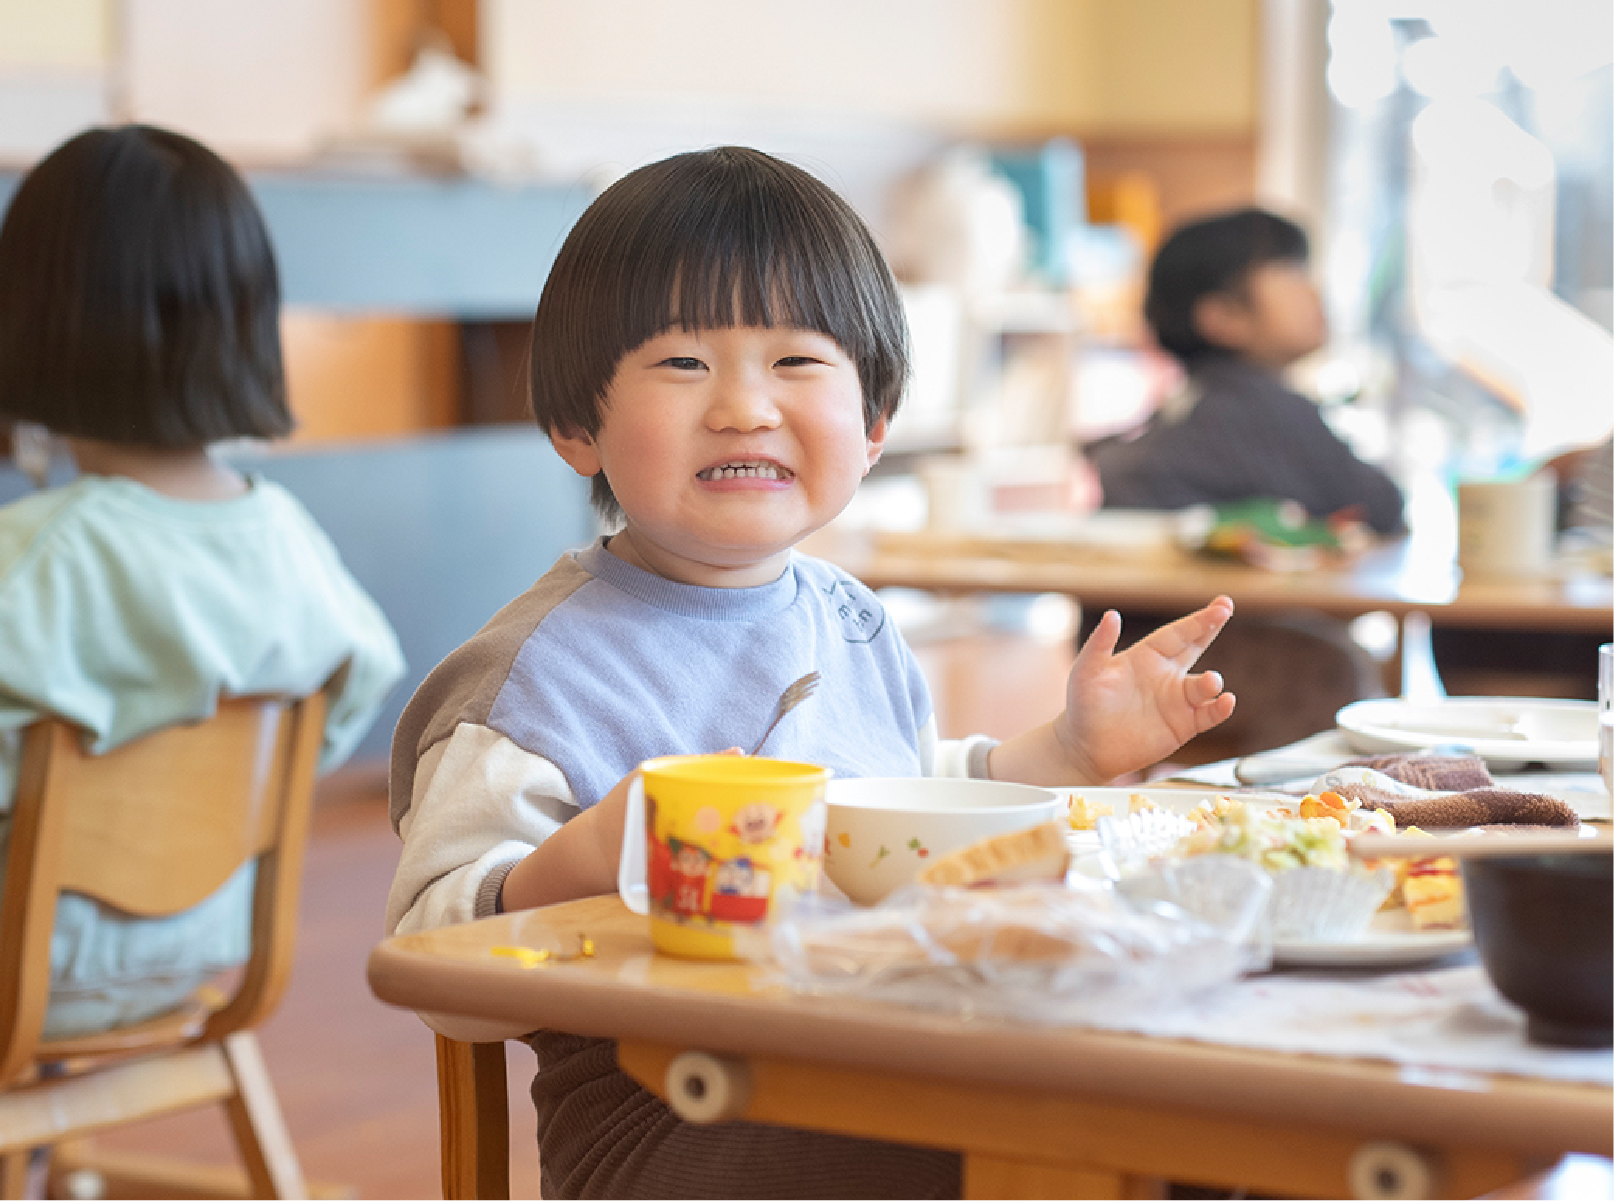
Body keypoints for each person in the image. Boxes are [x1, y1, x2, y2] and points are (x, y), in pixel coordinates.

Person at [386, 146, 1236, 1199]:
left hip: (878, 1055)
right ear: (577, 426)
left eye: (796, 362)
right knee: (1069, 1146)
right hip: (673, 1122)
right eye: (683, 364)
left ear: (875, 426)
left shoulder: (851, 620)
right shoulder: (538, 676)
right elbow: (430, 967)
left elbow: (895, 806)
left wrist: (1065, 751)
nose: (745, 406)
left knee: (1205, 1114)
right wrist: (581, 860)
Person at [0, 125, 406, 1040]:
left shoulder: (29, 563)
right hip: (191, 957)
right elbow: (354, 693)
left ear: (33, 319)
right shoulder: (291, 543)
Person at [1086, 206, 1406, 535]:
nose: (1314, 292)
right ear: (1223, 317)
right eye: (1292, 272)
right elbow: (1383, 506)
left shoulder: (1199, 398)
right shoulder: (1261, 411)